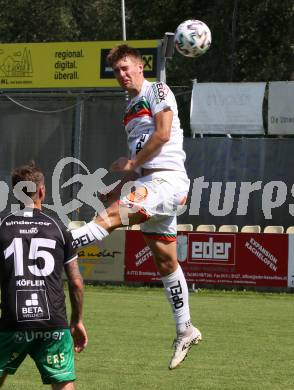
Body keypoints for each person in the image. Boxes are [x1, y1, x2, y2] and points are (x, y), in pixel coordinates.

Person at [71, 44, 201, 369]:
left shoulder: (157, 89)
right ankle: (185, 327)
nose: (122, 74)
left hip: (168, 182)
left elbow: (163, 133)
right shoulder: (129, 108)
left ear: (141, 67)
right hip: (150, 184)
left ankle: (56, 245)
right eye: (116, 71)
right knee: (164, 259)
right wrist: (120, 185)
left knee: (110, 218)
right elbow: (141, 164)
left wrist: (130, 164)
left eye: (126, 68)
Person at [0, 162, 88, 389]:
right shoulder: (58, 228)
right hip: (53, 323)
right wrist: (77, 320)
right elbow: (76, 283)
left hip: (13, 322)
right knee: (63, 385)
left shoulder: (2, 226)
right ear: (42, 191)